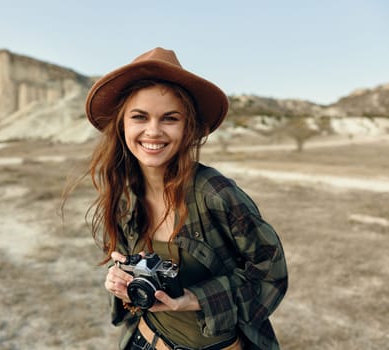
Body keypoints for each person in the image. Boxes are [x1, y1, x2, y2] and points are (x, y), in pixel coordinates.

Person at [83, 47, 288, 350]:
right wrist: (121, 283)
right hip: (143, 341)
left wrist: (194, 299)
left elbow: (271, 278)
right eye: (140, 117)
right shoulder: (125, 195)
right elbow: (137, 288)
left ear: (188, 127)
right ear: (123, 124)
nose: (153, 131)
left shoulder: (216, 194)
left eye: (170, 118)